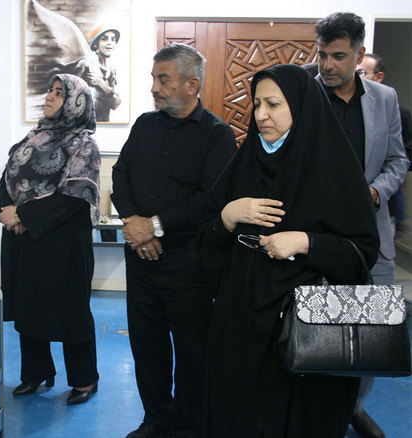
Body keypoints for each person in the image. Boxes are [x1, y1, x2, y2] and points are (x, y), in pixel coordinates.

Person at [198, 64, 379, 437]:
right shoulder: (244, 164)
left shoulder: (334, 169)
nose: (261, 115)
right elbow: (205, 246)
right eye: (257, 104)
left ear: (301, 107)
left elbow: (362, 253)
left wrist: (306, 243)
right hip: (240, 323)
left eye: (274, 104)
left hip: (308, 330)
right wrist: (228, 216)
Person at [111, 43, 236, 437]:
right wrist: (135, 225)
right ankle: (156, 418)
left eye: (163, 79)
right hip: (141, 259)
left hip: (188, 263)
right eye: (154, 78)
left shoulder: (216, 135)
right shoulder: (144, 126)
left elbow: (210, 199)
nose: (154, 87)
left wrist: (155, 226)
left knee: (192, 351)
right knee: (146, 346)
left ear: (192, 84)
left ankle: (187, 424)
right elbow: (120, 175)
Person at [314, 13, 409, 438]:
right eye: (322, 55)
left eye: (338, 56)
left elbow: (397, 160)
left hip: (373, 236)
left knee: (370, 331)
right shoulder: (305, 93)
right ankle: (318, 412)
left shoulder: (384, 98)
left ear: (359, 55)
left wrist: (373, 193)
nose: (328, 65)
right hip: (318, 235)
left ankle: (354, 408)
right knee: (317, 327)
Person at [0, 73, 101, 405]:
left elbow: (74, 197)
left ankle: (84, 380)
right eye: (50, 91)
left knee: (71, 312)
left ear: (75, 104)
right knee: (29, 309)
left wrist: (22, 216)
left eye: (59, 93)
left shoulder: (83, 145)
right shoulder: (35, 137)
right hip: (24, 240)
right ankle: (36, 372)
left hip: (64, 245)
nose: (50, 97)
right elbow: (8, 176)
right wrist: (8, 211)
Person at [356, 53, 412, 235]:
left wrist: (376, 189)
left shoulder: (399, 114)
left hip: (383, 202)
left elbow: (402, 159)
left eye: (362, 72)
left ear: (379, 77)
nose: (355, 77)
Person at [67, 26, 121, 122]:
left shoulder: (111, 70)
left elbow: (115, 104)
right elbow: (70, 98)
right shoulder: (86, 64)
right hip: (83, 124)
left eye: (113, 39)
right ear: (96, 44)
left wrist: (101, 83)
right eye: (104, 39)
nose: (110, 43)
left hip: (104, 123)